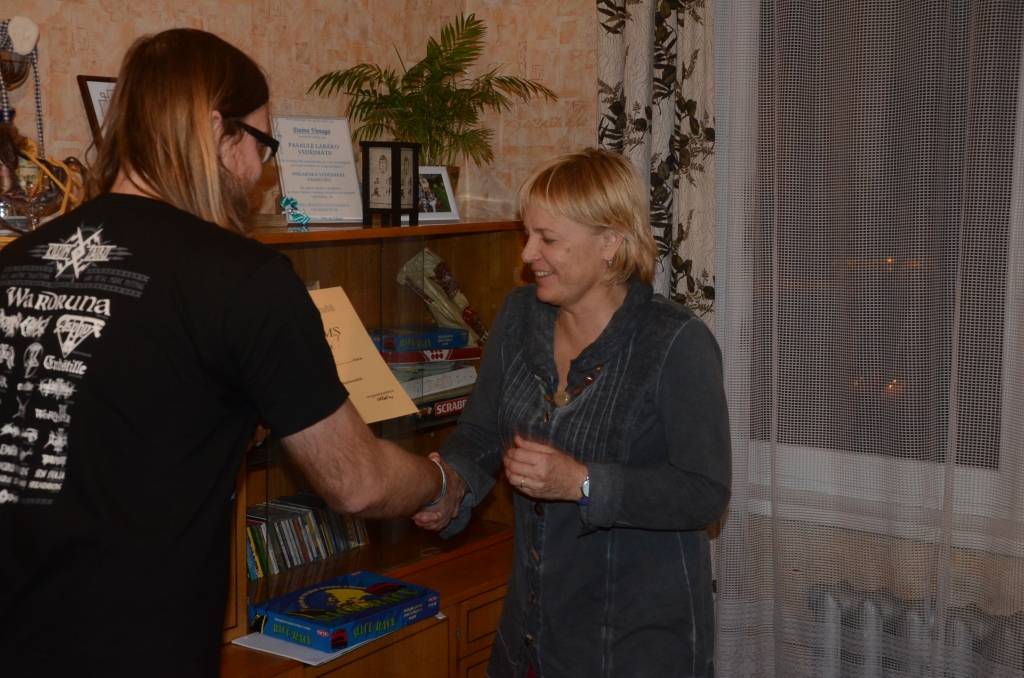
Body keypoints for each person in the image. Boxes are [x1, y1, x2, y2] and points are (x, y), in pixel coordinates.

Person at [0, 28, 453, 677]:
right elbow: (356, 482)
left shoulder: (15, 262)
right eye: (262, 143)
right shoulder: (245, 278)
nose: (263, 169)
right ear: (218, 131)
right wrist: (440, 481)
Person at [414, 148, 731, 677]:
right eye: (527, 234)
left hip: (635, 652)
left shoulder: (676, 341)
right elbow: (481, 432)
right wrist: (451, 484)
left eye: (548, 238)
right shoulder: (519, 316)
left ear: (610, 242)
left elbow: (704, 492)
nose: (527, 254)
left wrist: (582, 483)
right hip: (528, 641)